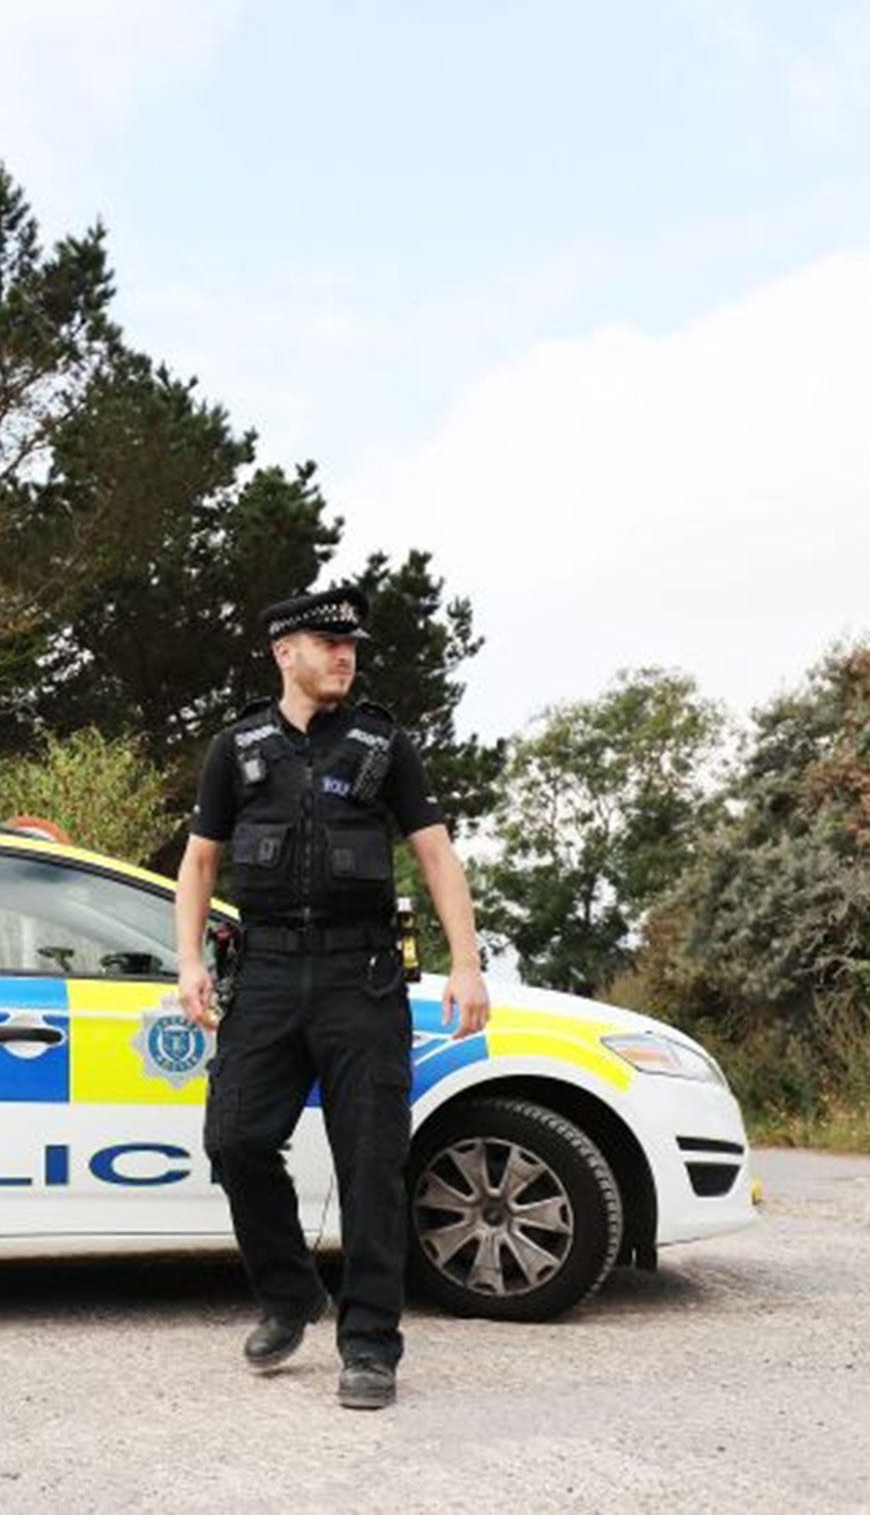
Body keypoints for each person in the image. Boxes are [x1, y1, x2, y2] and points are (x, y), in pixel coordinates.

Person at [174, 584, 488, 1410]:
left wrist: (468, 963)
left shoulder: (386, 744)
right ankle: (288, 1295)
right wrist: (188, 962)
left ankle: (371, 1345)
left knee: (371, 1163)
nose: (344, 656)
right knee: (236, 1140)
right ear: (286, 653)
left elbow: (436, 855)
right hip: (269, 976)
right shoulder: (236, 747)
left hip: (363, 979)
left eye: (351, 646)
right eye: (327, 644)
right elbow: (200, 863)